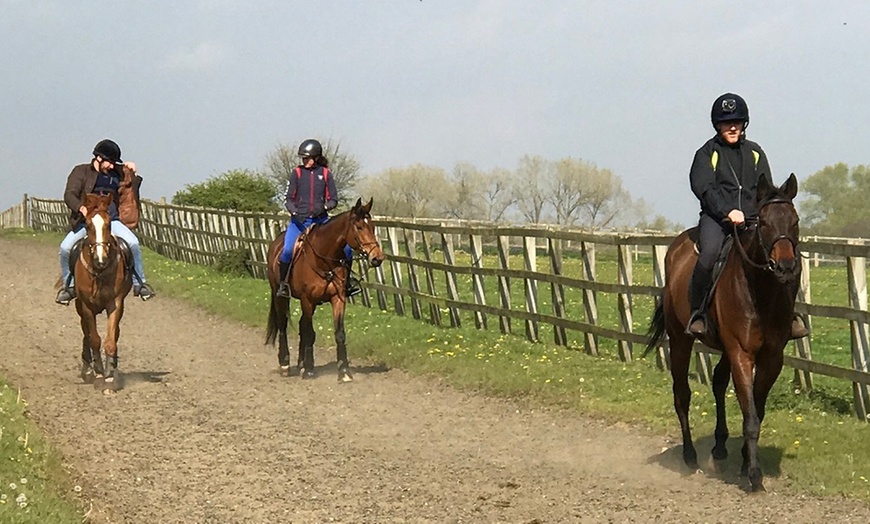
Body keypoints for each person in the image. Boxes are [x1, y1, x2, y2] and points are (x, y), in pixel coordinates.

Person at [687, 93, 807, 339]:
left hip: (753, 220)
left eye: (737, 122)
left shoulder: (755, 153)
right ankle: (698, 313)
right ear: (717, 125)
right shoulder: (707, 153)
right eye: (726, 123)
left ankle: (789, 314)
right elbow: (703, 187)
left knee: (786, 257)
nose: (732, 127)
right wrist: (727, 211)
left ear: (744, 124)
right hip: (717, 220)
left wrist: (761, 214)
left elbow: (765, 188)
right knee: (709, 255)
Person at [56, 139, 156, 304]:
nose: (111, 166)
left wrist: (132, 169)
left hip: (111, 221)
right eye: (110, 162)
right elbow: (69, 194)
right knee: (65, 248)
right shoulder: (80, 172)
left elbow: (130, 185)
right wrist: (80, 207)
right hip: (86, 222)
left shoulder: (117, 173)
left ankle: (140, 284)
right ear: (99, 158)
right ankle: (70, 287)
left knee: (133, 244)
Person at [276, 138, 360, 299]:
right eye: (303, 158)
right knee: (287, 251)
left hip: (321, 222)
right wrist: (294, 211)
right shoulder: (297, 173)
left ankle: (347, 283)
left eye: (307, 158)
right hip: (300, 222)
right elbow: (288, 198)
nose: (304, 161)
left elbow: (333, 199)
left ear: (316, 157)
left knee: (347, 249)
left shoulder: (326, 174)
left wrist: (324, 207)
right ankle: (283, 285)